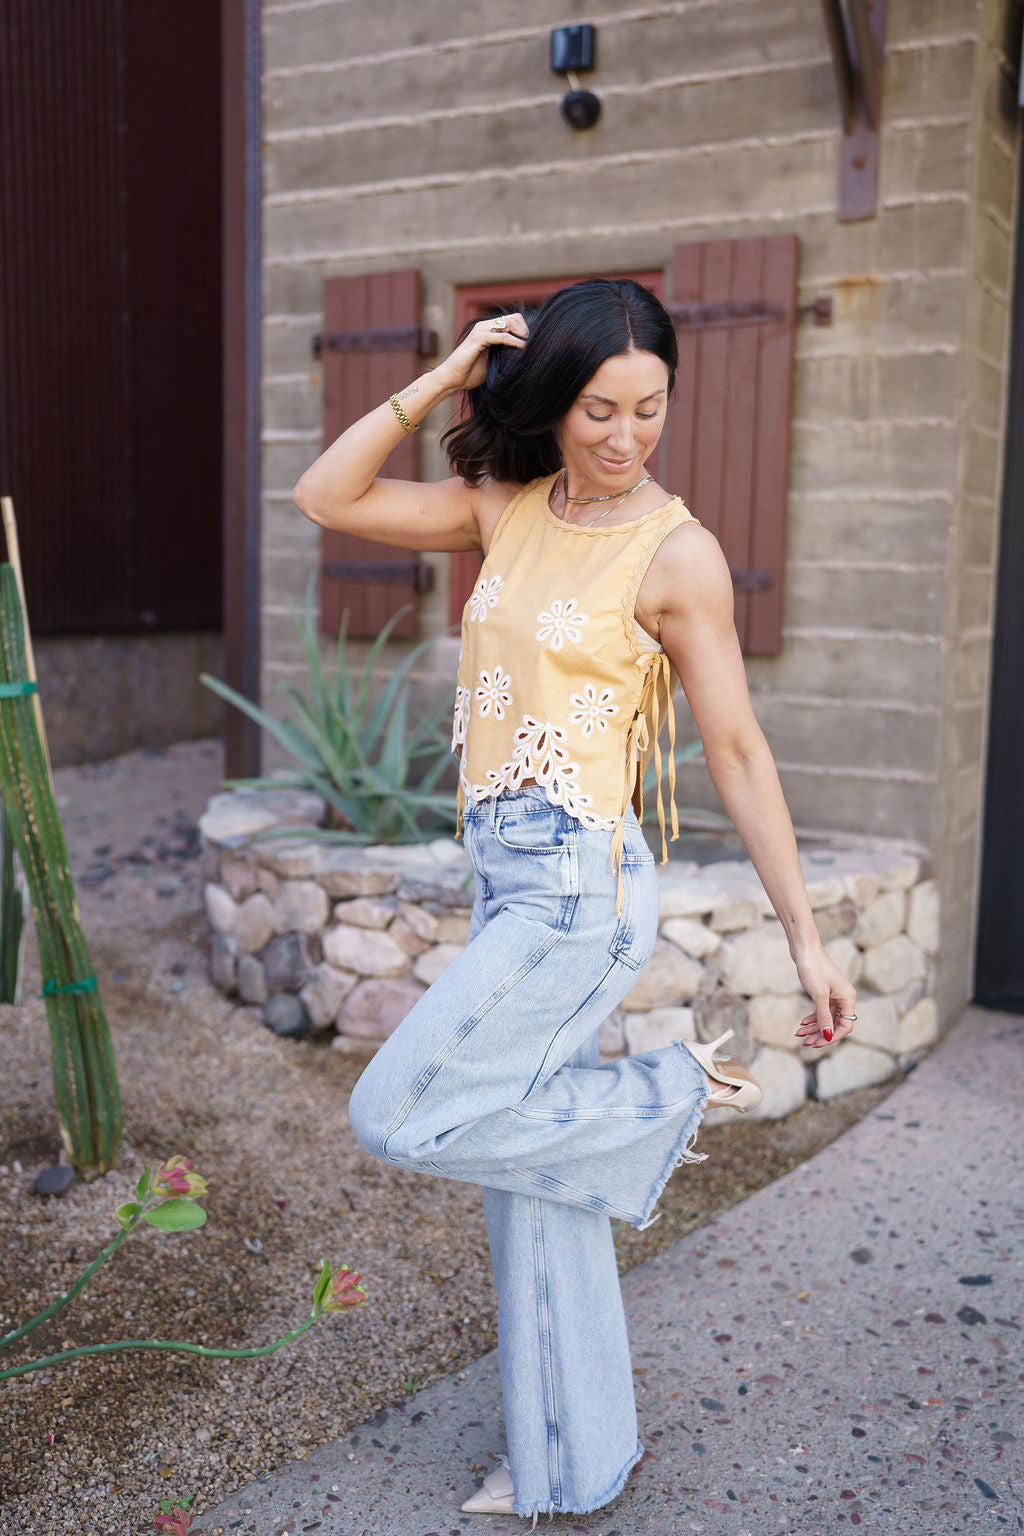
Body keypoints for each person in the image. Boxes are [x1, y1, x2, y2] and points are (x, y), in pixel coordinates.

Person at [292, 278, 857, 1524]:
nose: (624, 436)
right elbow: (325, 496)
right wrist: (442, 378)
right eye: (599, 409)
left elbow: (737, 750)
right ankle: (573, 1459)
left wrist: (805, 937)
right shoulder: (505, 506)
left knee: (397, 1112)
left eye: (650, 409)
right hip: (507, 879)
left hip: (576, 894)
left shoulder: (677, 553)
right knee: (536, 1191)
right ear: (551, 401)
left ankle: (672, 1090)